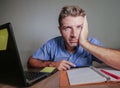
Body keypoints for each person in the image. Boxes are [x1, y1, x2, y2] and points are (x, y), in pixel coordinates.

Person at [28, 5, 120, 70]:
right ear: (60, 30)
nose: (74, 34)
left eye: (79, 27)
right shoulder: (52, 44)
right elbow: (31, 61)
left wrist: (85, 43)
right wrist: (51, 64)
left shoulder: (92, 43)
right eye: (67, 28)